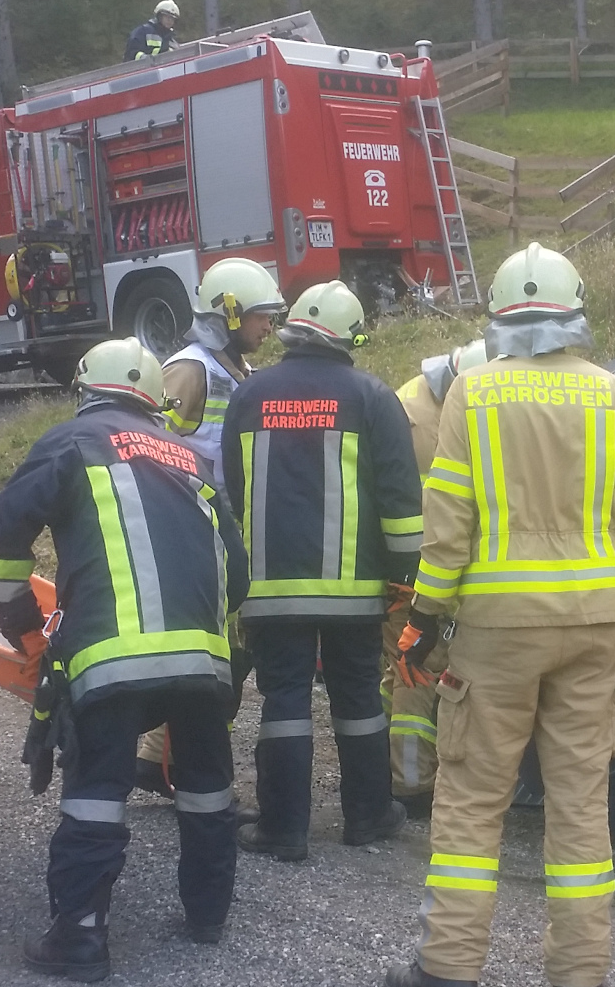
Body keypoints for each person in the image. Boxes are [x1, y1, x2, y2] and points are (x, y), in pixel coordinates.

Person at [387, 243, 615, 987]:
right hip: (595, 625)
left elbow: (447, 520)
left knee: (474, 800)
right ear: (576, 311)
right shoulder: (613, 395)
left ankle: (446, 969)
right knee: (580, 802)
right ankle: (579, 974)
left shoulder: (470, 396)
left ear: (498, 317)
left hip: (497, 630)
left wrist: (424, 614)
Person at [0, 338, 249, 981]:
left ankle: (82, 936)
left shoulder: (70, 443)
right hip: (203, 659)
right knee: (206, 787)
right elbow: (236, 573)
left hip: (111, 660)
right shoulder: (191, 458)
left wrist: (23, 626)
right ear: (153, 400)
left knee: (97, 790)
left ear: (85, 391)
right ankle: (208, 913)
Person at [222, 280, 424, 862]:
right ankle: (368, 815)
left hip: (269, 588)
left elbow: (235, 490)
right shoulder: (371, 395)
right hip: (354, 591)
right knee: (357, 694)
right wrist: (404, 574)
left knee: (282, 696)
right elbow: (399, 499)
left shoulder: (250, 394)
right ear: (349, 337)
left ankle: (283, 829)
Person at [133, 257, 286, 799]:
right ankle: (194, 770)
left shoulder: (232, 369)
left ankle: (158, 759)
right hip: (196, 531)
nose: (269, 328)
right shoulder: (190, 369)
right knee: (215, 656)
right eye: (262, 317)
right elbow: (147, 445)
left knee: (221, 653)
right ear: (228, 315)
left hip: (222, 531)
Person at [381, 338, 489, 815]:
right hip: (431, 575)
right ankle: (412, 782)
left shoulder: (408, 398)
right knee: (417, 674)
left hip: (410, 569)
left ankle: (399, 774)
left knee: (405, 672)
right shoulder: (449, 418)